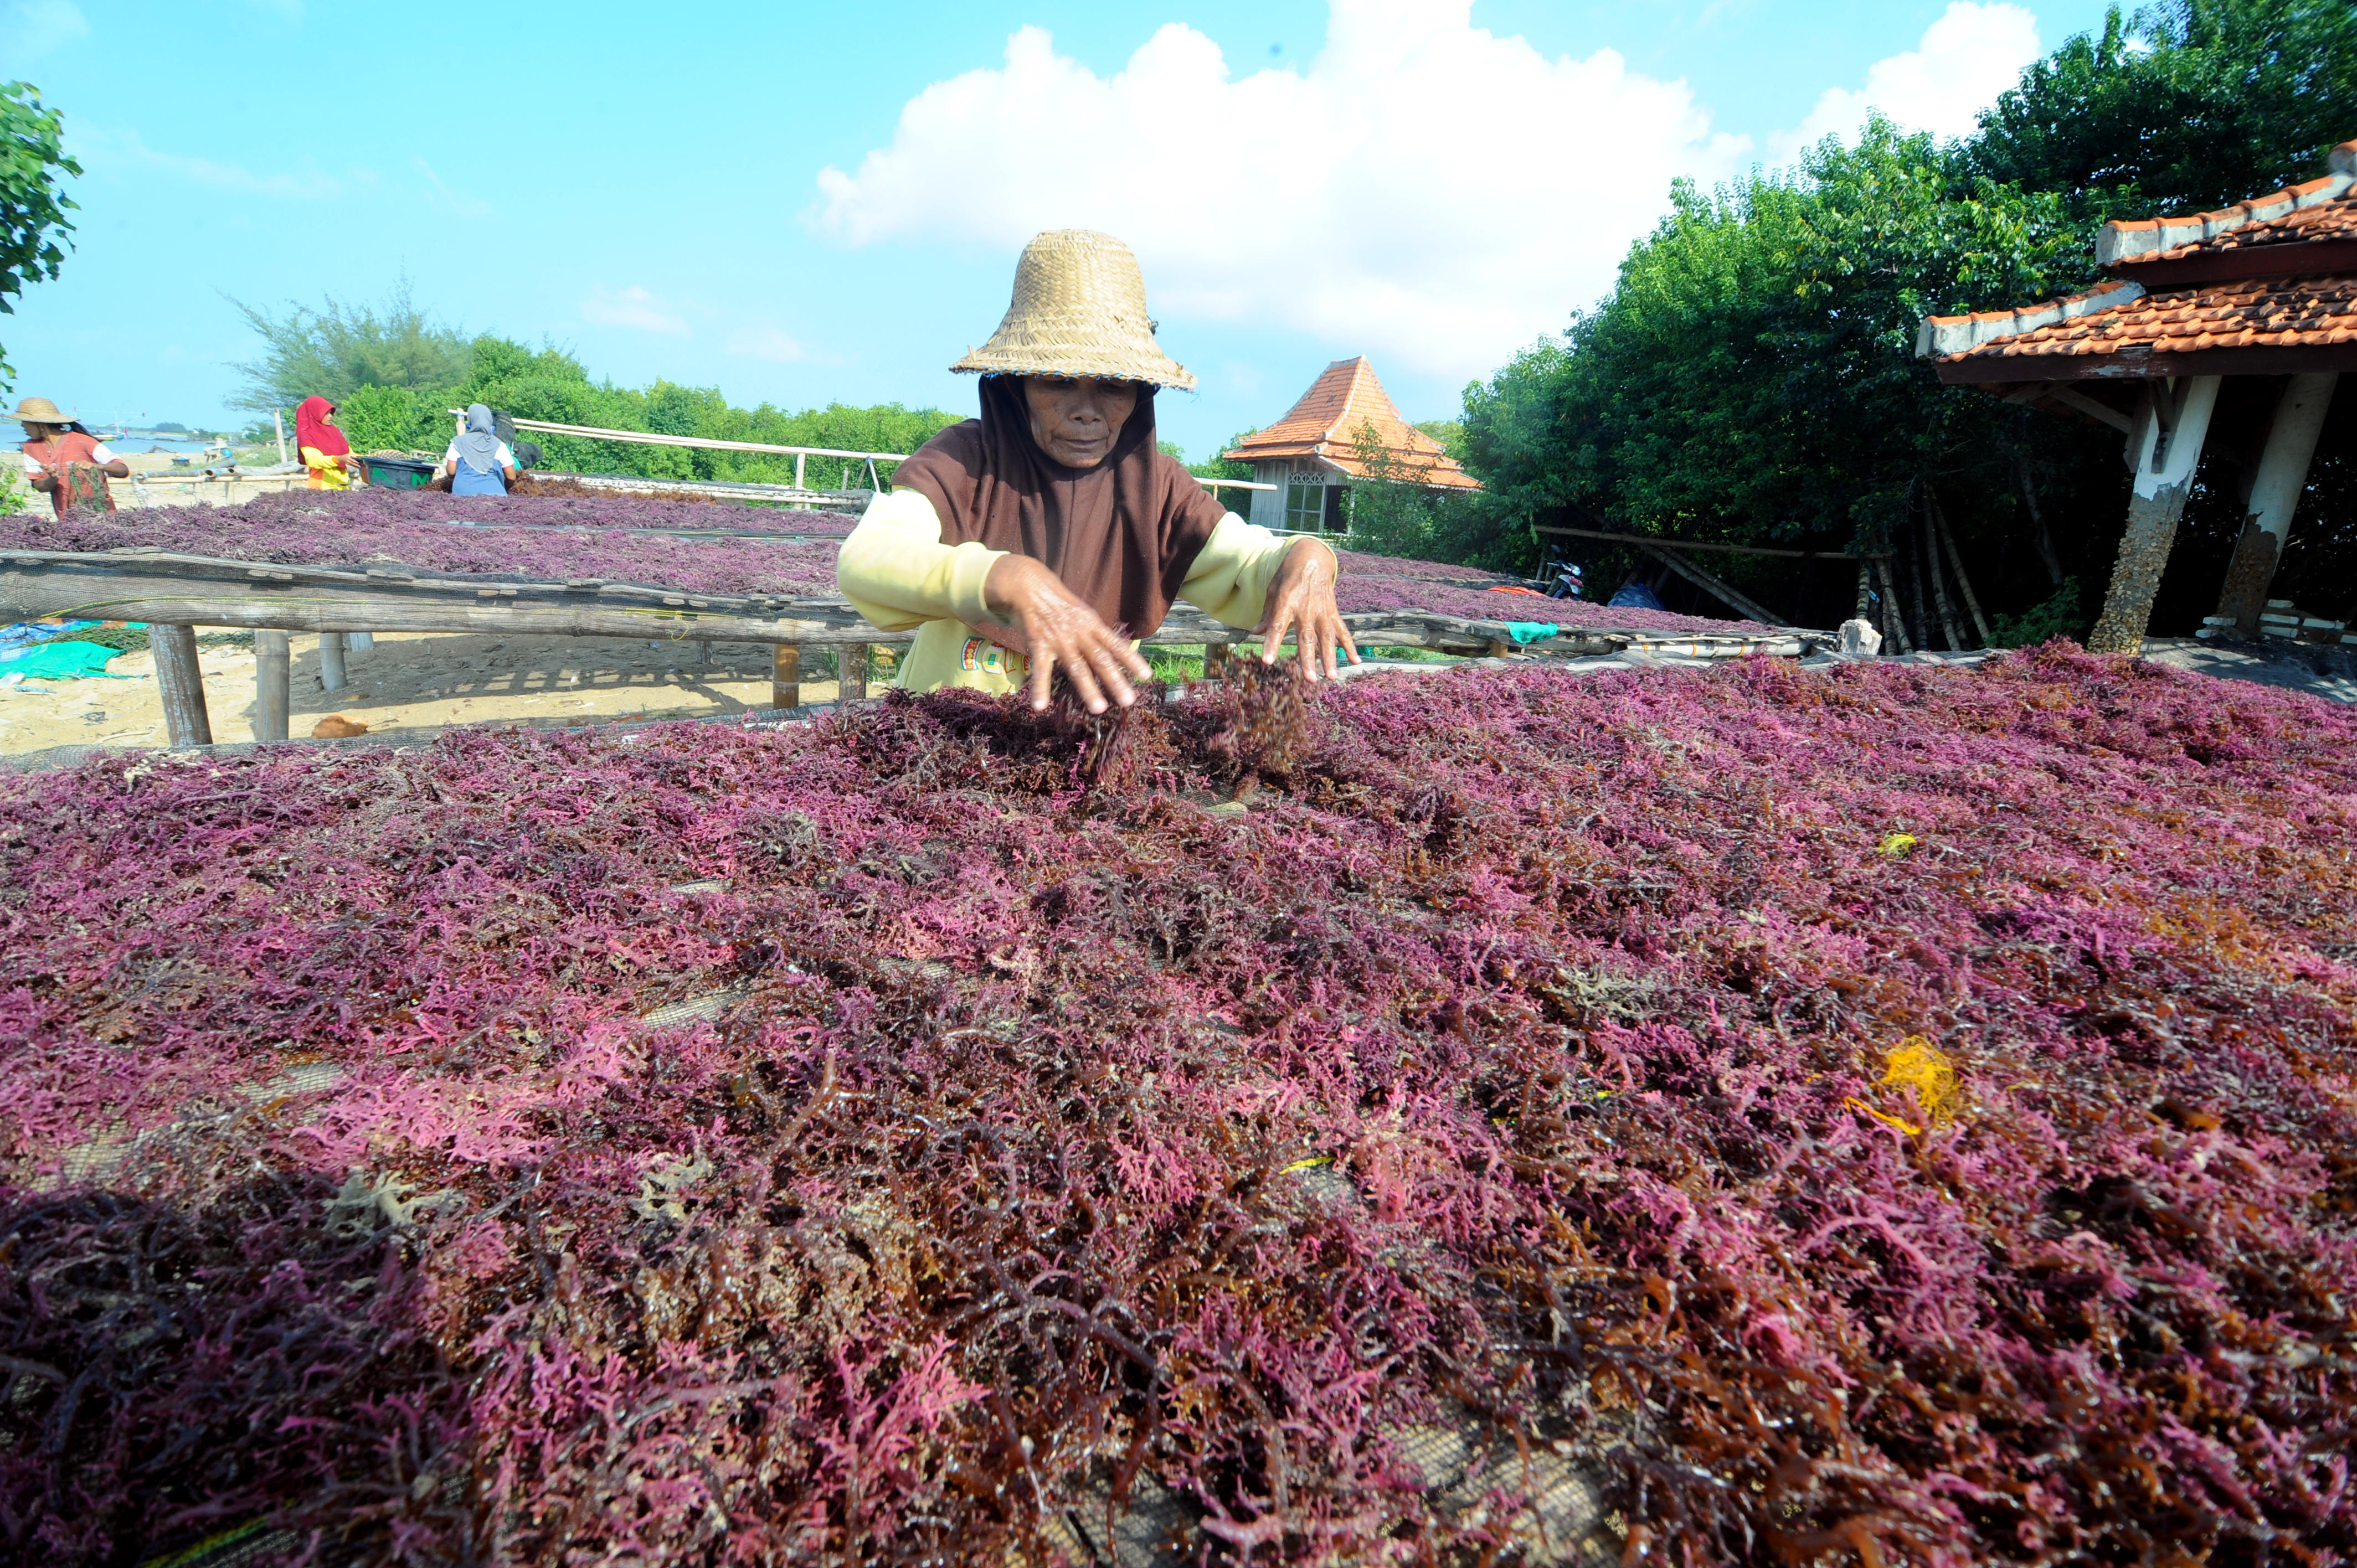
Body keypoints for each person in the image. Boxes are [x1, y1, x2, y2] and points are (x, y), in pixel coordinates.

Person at [837, 229, 1357, 711]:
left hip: (1082, 760)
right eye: (1059, 382)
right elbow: (868, 560)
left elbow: (1252, 566)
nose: (1088, 410)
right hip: (936, 752)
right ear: (1017, 384)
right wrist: (1003, 577)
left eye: (1112, 385)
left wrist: (1310, 558)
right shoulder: (967, 462)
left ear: (1140, 393)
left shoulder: (1157, 490)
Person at [12, 396, 128, 518]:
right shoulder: (31, 447)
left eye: (24, 422)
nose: (22, 426)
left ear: (40, 424)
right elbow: (39, 486)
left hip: (102, 514)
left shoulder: (83, 441)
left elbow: (123, 470)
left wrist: (97, 466)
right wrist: (52, 479)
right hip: (67, 518)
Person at [435, 404, 520, 497]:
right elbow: (511, 477)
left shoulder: (457, 443)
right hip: (495, 495)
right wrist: (504, 487)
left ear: (471, 420)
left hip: (463, 494)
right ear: (489, 421)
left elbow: (451, 472)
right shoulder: (500, 445)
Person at [296, 396, 361, 489]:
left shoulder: (335, 432)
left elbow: (350, 453)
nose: (330, 416)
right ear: (314, 413)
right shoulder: (306, 434)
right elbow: (314, 460)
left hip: (343, 485)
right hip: (322, 487)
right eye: (325, 413)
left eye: (331, 413)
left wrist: (366, 459)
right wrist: (339, 459)